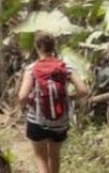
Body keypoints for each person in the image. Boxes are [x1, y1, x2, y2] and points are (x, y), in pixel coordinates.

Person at [17, 33, 88, 173]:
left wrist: (28, 103)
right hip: (60, 121)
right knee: (54, 156)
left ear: (37, 48)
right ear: (54, 47)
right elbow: (83, 91)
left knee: (41, 158)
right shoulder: (65, 67)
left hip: (37, 121)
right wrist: (69, 98)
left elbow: (22, 96)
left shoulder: (32, 69)